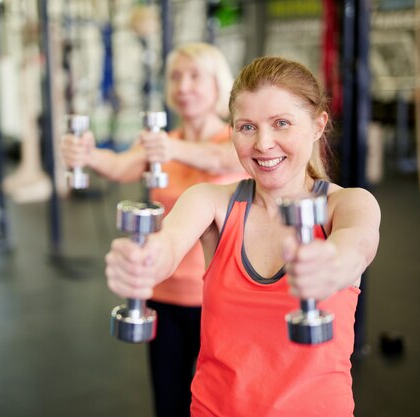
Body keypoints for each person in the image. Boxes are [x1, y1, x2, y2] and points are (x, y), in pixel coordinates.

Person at [105, 56, 381, 416]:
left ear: (317, 125)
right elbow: (167, 245)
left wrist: (332, 265)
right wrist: (141, 261)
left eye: (281, 123)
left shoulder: (347, 204)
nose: (264, 144)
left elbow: (356, 245)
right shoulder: (212, 201)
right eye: (247, 127)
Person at [62, 42, 247, 417]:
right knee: (168, 398)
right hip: (163, 290)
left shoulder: (236, 136)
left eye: (195, 76)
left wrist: (168, 149)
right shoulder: (163, 140)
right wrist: (85, 154)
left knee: (222, 401)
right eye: (176, 77)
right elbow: (119, 166)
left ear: (216, 84)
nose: (184, 85)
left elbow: (218, 159)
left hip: (218, 295)